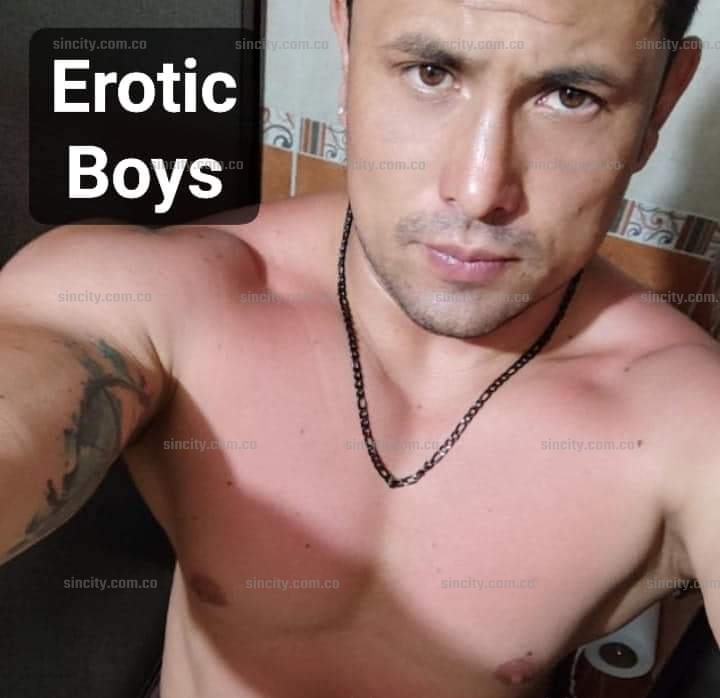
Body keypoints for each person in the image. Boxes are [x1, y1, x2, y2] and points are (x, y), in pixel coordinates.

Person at [1, 0, 717, 696]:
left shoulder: (685, 418)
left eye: (571, 95)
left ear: (663, 96)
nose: (477, 191)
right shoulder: (175, 296)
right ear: (346, 44)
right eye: (431, 73)